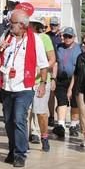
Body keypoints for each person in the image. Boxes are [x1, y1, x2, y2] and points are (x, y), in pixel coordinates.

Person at [0, 8, 49, 167]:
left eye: (12, 23)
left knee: (19, 118)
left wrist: (42, 83)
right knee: (8, 121)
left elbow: (43, 64)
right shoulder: (8, 37)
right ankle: (12, 149)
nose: (9, 25)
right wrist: (0, 47)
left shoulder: (35, 40)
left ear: (21, 25)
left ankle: (20, 154)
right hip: (7, 85)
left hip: (24, 87)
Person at [28, 14, 55, 152]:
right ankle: (26, 137)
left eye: (31, 24)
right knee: (24, 112)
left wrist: (40, 71)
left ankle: (44, 137)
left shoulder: (44, 39)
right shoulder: (23, 39)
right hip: (25, 82)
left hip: (40, 81)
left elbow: (52, 59)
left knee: (40, 111)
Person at [52, 27, 82, 138]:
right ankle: (61, 125)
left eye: (70, 36)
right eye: (65, 36)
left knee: (75, 103)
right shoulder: (58, 47)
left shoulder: (79, 48)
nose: (67, 38)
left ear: (74, 37)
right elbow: (55, 62)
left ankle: (74, 125)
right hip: (61, 79)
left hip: (75, 79)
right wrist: (53, 79)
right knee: (61, 101)